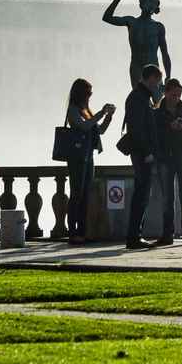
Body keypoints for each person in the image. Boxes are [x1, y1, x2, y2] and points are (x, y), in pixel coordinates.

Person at [64, 78, 116, 244]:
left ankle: (83, 230)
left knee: (86, 195)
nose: (90, 96)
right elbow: (84, 126)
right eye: (88, 93)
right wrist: (101, 113)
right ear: (81, 94)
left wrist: (108, 117)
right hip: (77, 157)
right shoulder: (73, 110)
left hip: (88, 156)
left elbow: (98, 130)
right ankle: (73, 232)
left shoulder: (86, 110)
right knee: (76, 194)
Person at [121, 65, 163, 250]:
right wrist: (147, 153)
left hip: (141, 152)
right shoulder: (138, 98)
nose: (158, 84)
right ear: (150, 78)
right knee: (141, 194)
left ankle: (135, 235)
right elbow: (137, 130)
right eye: (156, 80)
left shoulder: (141, 96)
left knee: (143, 194)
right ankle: (134, 237)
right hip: (141, 153)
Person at [154, 77, 182, 246]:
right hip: (166, 157)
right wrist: (170, 127)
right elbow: (155, 137)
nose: (177, 98)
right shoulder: (157, 113)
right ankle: (167, 234)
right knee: (167, 198)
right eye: (173, 95)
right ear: (165, 93)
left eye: (179, 95)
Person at [103, 0, 172, 90]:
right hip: (137, 68)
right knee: (139, 100)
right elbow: (107, 18)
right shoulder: (131, 22)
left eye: (154, 2)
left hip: (154, 70)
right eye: (149, 1)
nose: (150, 4)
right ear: (141, 4)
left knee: (157, 102)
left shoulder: (158, 27)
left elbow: (165, 53)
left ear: (156, 8)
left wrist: (168, 76)